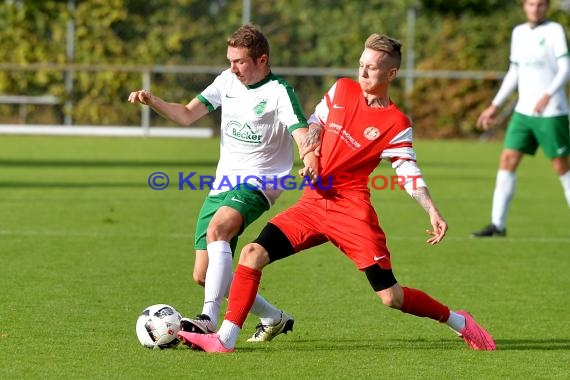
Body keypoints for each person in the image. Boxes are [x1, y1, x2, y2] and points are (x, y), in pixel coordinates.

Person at [177, 33, 497, 353]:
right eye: (361, 65)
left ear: (391, 74)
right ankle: (224, 339)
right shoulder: (342, 89)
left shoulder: (396, 123)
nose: (363, 73)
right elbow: (315, 124)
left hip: (351, 210)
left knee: (390, 297)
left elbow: (407, 172)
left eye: (372, 68)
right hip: (313, 203)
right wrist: (311, 153)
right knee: (251, 254)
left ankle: (459, 322)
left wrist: (431, 209)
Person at [128, 24, 316, 342]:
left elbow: (301, 132)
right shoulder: (226, 80)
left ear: (262, 60)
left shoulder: (279, 92)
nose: (232, 67)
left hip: (262, 181)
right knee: (204, 275)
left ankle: (208, 319)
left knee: (218, 229)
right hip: (223, 183)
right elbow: (187, 114)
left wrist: (309, 159)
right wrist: (154, 101)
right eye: (230, 60)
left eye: (239, 61)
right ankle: (273, 317)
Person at [473, 0, 570, 237]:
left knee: (562, 168)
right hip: (523, 112)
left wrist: (548, 94)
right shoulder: (518, 32)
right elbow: (514, 72)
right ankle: (498, 225)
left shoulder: (554, 30)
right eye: (530, 4)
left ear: (546, 7)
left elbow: (565, 67)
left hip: (552, 112)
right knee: (507, 160)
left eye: (539, 4)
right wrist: (494, 105)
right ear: (524, 7)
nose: (535, 9)